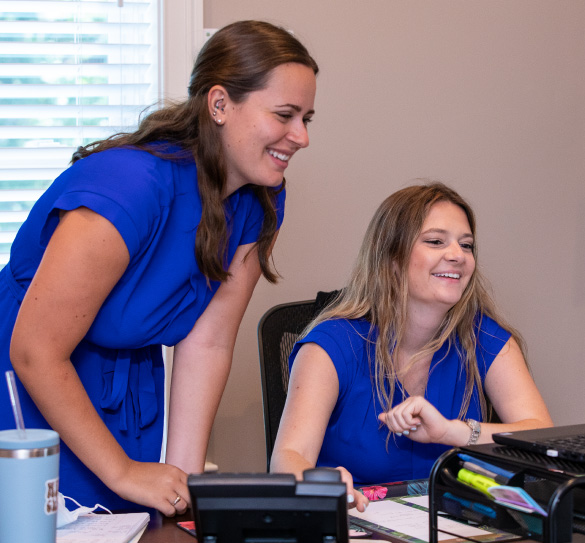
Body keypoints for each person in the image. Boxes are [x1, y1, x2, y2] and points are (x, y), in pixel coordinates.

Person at [0, 20, 318, 515]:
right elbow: (36, 351)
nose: (300, 137)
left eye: (307, 118)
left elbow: (208, 342)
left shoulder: (260, 200)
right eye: (285, 115)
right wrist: (123, 471)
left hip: (125, 401)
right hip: (29, 397)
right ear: (219, 105)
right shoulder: (128, 187)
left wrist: (185, 489)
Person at [271, 182, 552, 512]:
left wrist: (452, 432)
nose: (457, 256)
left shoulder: (483, 337)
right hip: (358, 521)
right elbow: (287, 459)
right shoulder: (332, 344)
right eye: (435, 241)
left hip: (456, 527)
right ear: (391, 257)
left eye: (467, 245)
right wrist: (320, 483)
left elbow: (542, 438)